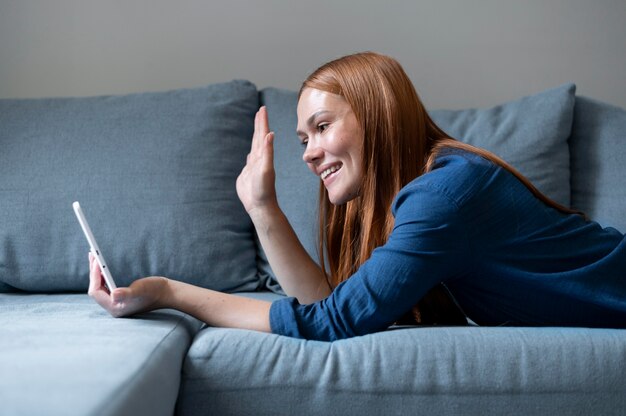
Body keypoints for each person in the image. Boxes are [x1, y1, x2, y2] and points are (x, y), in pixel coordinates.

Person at [88, 52, 626, 341]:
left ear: (377, 116)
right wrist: (261, 207)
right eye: (303, 139)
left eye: (322, 127)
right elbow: (326, 301)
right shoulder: (420, 197)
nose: (308, 153)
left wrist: (169, 292)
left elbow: (331, 322)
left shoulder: (446, 194)